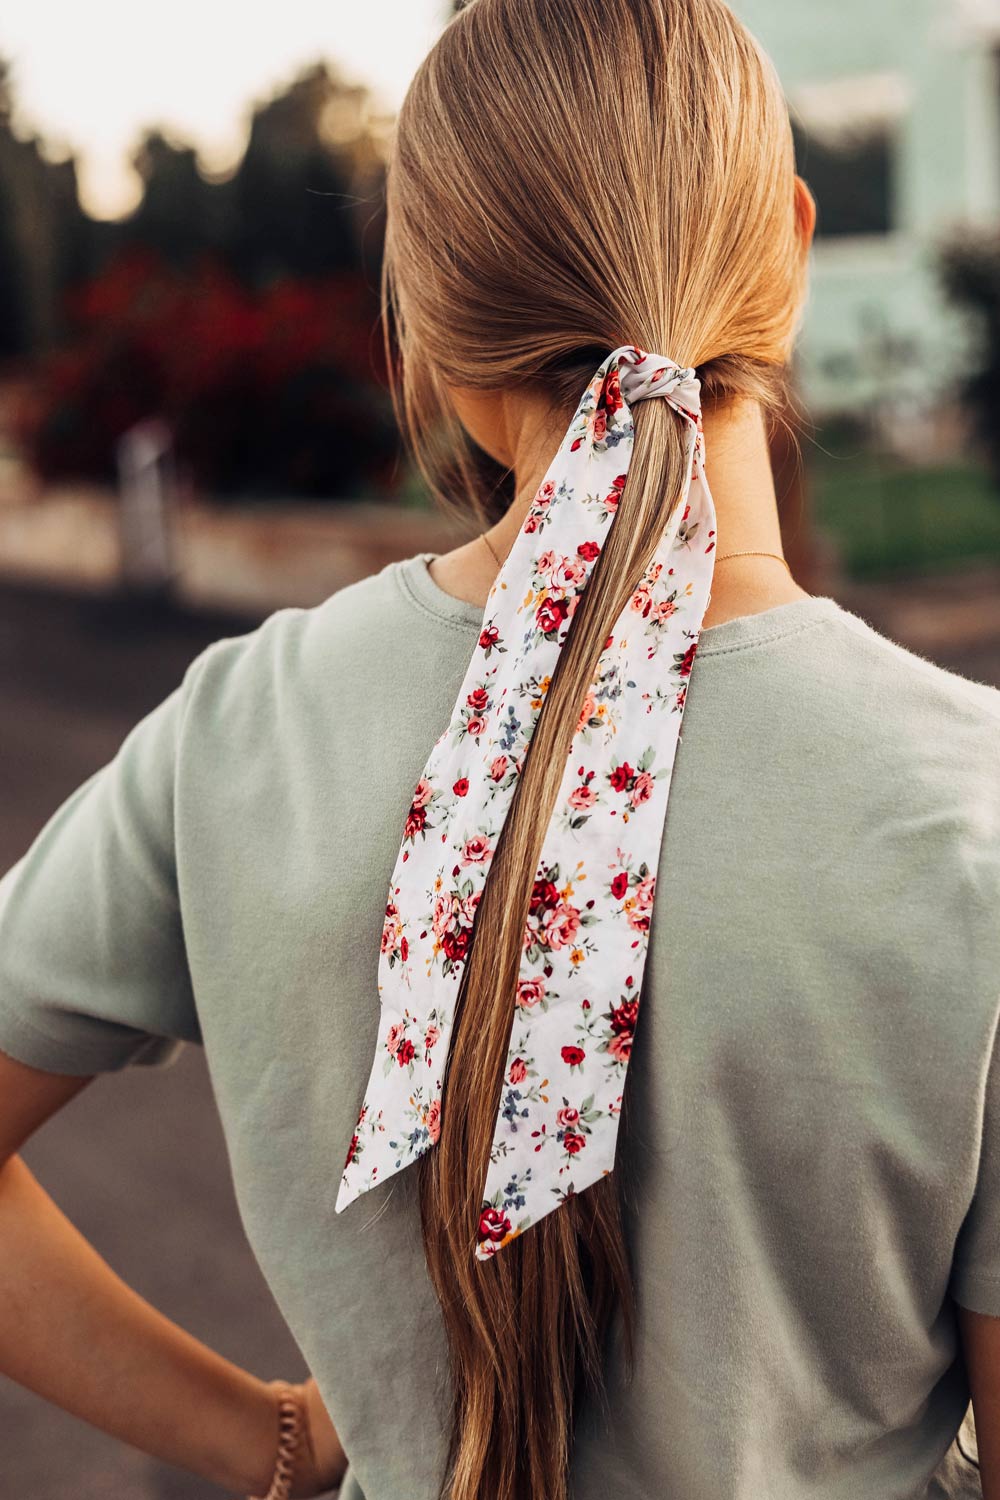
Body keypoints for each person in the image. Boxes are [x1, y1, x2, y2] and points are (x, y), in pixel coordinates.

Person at [0, 0, 998, 1497]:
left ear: (425, 314)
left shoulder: (236, 732)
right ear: (784, 254)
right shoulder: (974, 807)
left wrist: (265, 1444)